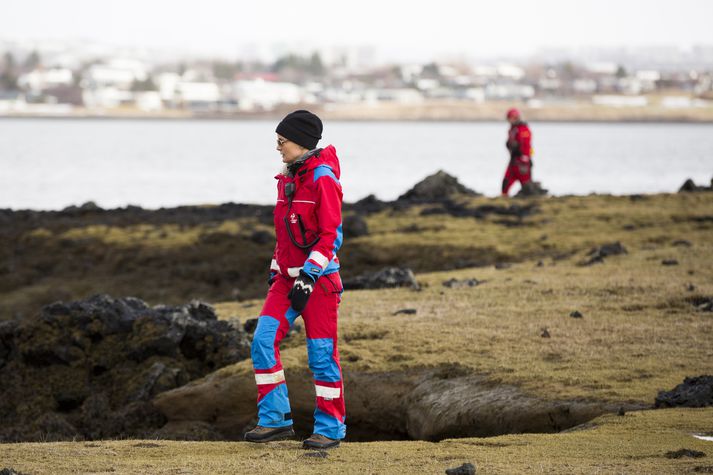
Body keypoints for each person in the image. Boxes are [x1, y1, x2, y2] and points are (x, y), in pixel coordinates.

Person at [244, 110, 346, 450]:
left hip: (318, 284)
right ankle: (274, 420)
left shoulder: (323, 179)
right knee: (262, 341)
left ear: (300, 142)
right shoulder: (286, 180)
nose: (278, 148)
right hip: (286, 282)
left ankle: (330, 430)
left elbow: (331, 235)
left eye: (281, 141)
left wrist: (309, 275)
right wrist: (278, 269)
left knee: (321, 356)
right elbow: (285, 234)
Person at [502, 107, 534, 196]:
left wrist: (525, 158)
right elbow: (511, 143)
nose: (509, 120)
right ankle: (504, 198)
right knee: (506, 182)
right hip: (514, 160)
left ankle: (531, 200)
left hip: (522, 162)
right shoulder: (512, 129)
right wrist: (508, 144)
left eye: (511, 118)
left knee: (526, 185)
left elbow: (526, 145)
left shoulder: (523, 129)